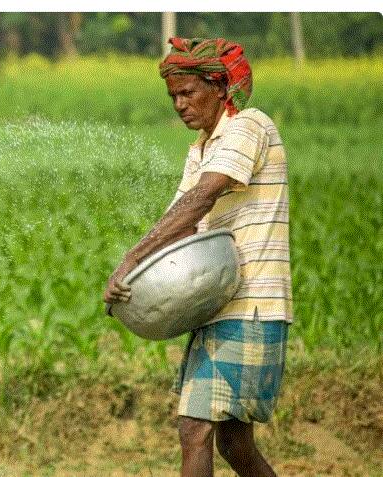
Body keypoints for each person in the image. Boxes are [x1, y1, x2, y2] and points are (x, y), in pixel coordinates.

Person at [103, 37, 293, 477]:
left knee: (195, 429)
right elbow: (183, 221)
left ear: (221, 87)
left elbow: (202, 197)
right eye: (173, 96)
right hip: (220, 304)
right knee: (234, 444)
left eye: (188, 93)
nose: (179, 105)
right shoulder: (202, 147)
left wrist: (132, 258)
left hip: (252, 305)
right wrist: (132, 291)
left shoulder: (249, 126)